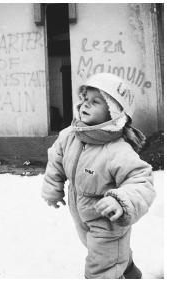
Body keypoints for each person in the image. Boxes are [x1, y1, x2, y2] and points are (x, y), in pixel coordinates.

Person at [41, 72, 155, 279]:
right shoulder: (70, 136)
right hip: (82, 215)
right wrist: (52, 188)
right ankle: (129, 272)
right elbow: (56, 160)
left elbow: (141, 180)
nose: (85, 104)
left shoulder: (117, 150)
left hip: (108, 222)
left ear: (113, 112)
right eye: (85, 99)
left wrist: (120, 201)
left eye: (95, 102)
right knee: (109, 255)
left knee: (101, 269)